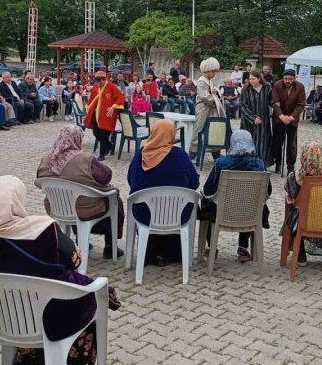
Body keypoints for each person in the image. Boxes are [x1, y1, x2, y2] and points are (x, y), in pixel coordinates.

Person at [0, 176, 120, 365]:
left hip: (1, 320)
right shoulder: (44, 231)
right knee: (88, 296)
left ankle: (26, 360)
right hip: (52, 320)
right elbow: (76, 261)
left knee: (27, 304)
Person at [37, 125, 124, 259]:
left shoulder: (46, 159)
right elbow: (106, 176)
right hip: (85, 209)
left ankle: (80, 240)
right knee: (114, 200)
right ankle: (110, 247)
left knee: (72, 199)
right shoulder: (85, 159)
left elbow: (39, 179)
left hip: (56, 206)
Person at [127, 118, 200, 265]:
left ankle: (149, 251)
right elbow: (194, 183)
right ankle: (172, 253)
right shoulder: (180, 157)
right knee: (182, 206)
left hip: (145, 214)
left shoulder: (140, 155)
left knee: (148, 207)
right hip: (177, 215)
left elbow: (131, 180)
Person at [200, 130, 271, 262]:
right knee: (249, 203)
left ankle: (211, 246)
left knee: (208, 203)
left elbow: (208, 190)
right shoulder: (259, 165)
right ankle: (243, 246)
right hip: (250, 214)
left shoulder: (221, 164)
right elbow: (269, 191)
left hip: (222, 213)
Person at [284, 142, 322, 269]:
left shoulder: (294, 178)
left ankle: (300, 254)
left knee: (294, 214)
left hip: (305, 222)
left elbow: (291, 196)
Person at [83, 70, 125, 161]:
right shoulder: (95, 87)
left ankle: (102, 154)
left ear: (104, 79)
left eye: (99, 80)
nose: (98, 82)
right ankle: (109, 145)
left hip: (106, 115)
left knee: (103, 134)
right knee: (95, 132)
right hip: (95, 113)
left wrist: (113, 107)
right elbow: (91, 99)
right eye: (96, 80)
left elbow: (120, 97)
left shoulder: (112, 87)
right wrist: (88, 107)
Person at [271, 68, 306, 174]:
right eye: (285, 78)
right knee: (277, 143)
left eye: (290, 79)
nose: (287, 81)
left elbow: (301, 105)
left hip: (292, 119)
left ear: (294, 79)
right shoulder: (277, 85)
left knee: (291, 144)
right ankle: (278, 163)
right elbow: (275, 102)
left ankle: (290, 166)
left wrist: (291, 117)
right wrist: (281, 116)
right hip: (278, 118)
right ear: (283, 78)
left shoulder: (300, 87)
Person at [192, 57, 225, 156]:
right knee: (199, 128)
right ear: (208, 71)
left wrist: (215, 92)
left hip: (211, 109)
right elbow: (204, 96)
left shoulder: (210, 80)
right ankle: (193, 152)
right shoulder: (201, 82)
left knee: (213, 129)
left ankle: (215, 152)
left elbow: (214, 92)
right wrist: (215, 101)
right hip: (203, 109)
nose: (215, 73)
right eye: (214, 71)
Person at [240, 70, 273, 166]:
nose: (251, 81)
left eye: (253, 79)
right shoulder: (246, 90)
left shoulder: (267, 87)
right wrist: (253, 118)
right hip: (249, 121)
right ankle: (249, 163)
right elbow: (242, 106)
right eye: (250, 79)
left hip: (263, 119)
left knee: (263, 142)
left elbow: (272, 101)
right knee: (250, 141)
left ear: (259, 78)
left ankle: (262, 163)